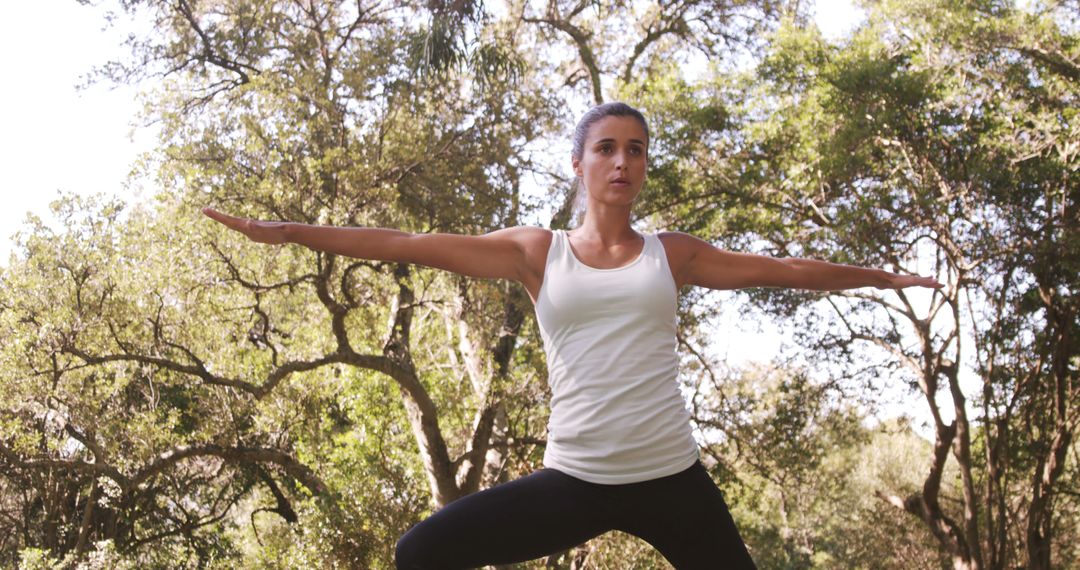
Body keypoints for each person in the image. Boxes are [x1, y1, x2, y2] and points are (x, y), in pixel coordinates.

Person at [203, 102, 942, 569]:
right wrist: (291, 232)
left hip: (671, 479)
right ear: (580, 164)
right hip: (576, 481)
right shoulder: (537, 252)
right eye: (608, 148)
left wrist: (883, 279)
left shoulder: (671, 254)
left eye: (637, 150)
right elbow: (406, 242)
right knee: (421, 552)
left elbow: (781, 269)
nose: (623, 161)